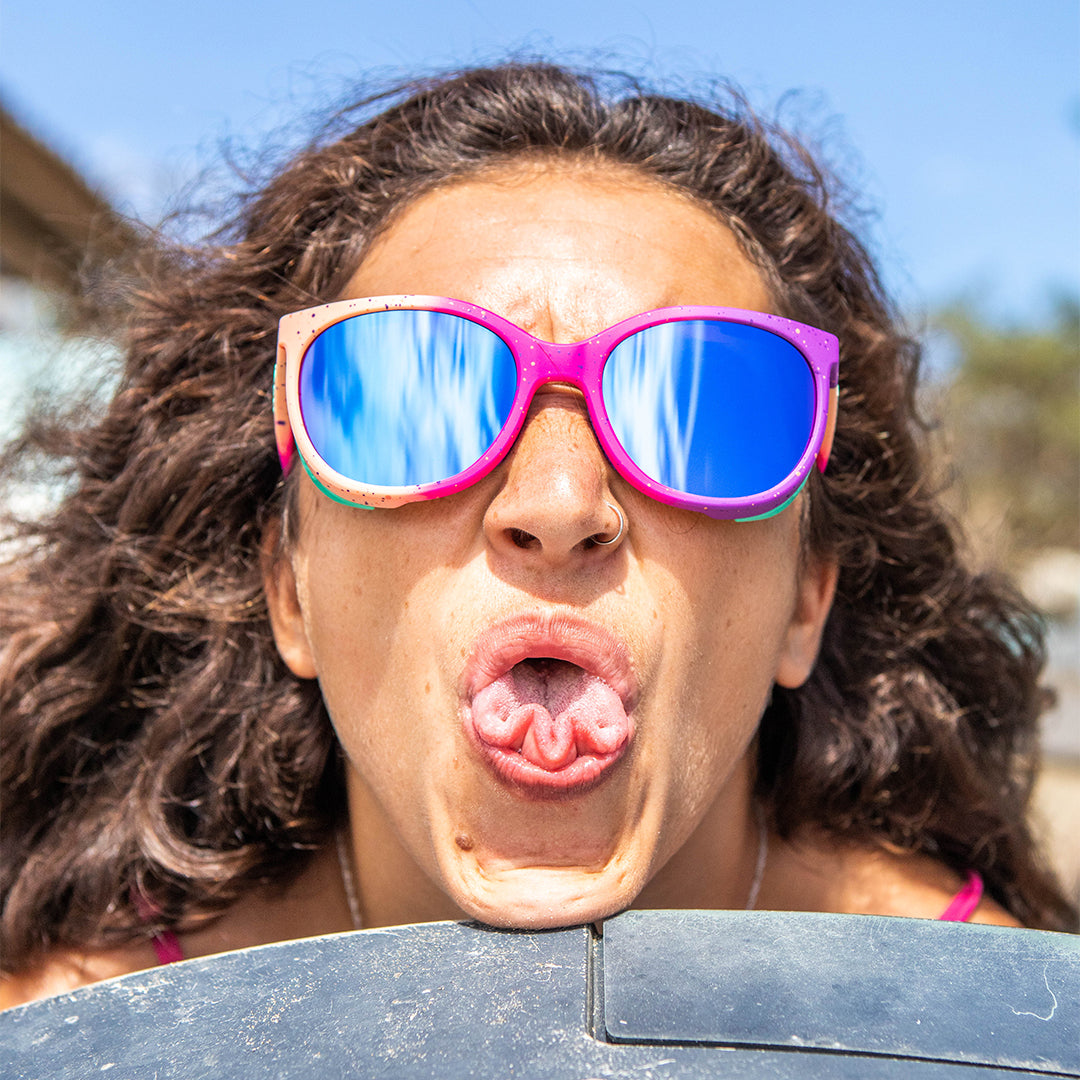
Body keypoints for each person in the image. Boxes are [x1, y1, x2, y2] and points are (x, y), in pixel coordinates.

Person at [1, 62, 1074, 1008]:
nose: (559, 503)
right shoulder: (78, 1029)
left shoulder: (998, 1030)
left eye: (698, 408)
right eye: (416, 395)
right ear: (290, 591)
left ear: (807, 599)